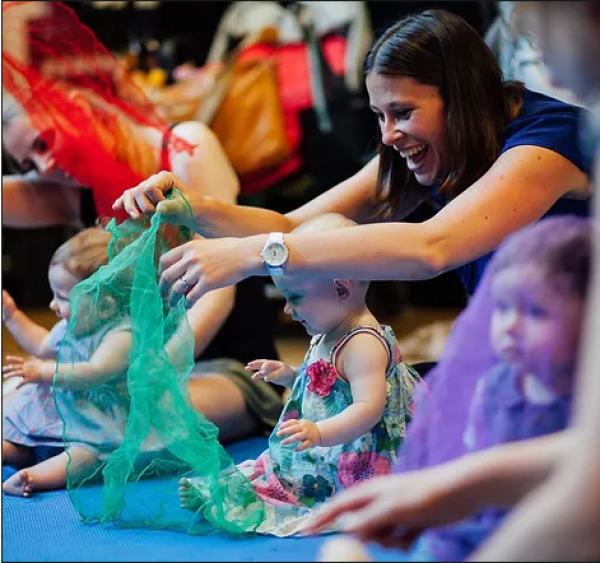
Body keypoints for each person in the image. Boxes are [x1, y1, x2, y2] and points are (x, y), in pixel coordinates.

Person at [113, 8, 592, 311]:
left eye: (403, 113)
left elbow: (433, 247)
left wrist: (252, 256)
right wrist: (193, 207)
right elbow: (289, 223)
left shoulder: (548, 142)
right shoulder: (440, 147)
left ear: (462, 97)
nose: (389, 136)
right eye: (379, 116)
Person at [2, 1, 283, 443]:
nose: (46, 161)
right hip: (122, 371)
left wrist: (153, 373)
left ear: (74, 105)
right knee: (16, 397)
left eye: (42, 140)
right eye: (28, 162)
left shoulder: (184, 147)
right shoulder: (64, 188)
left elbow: (222, 288)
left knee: (130, 420)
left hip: (221, 364)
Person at [310, 215, 593, 560]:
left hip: (558, 523)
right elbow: (475, 449)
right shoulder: (499, 384)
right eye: (502, 308)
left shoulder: (585, 396)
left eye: (536, 312)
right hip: (478, 515)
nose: (510, 327)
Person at [177, 213, 421, 537]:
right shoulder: (329, 329)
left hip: (360, 452)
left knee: (308, 484)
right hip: (330, 438)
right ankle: (238, 490)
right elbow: (330, 386)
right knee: (280, 467)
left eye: (294, 298)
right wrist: (290, 376)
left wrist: (318, 433)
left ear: (341, 289)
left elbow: (368, 408)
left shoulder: (363, 343)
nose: (287, 311)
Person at [2, 227, 133, 496]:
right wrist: (12, 316)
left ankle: (32, 477)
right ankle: (11, 453)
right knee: (20, 438)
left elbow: (97, 371)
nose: (53, 304)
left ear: (106, 305)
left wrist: (43, 372)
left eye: (63, 297)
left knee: (88, 458)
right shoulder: (72, 324)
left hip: (98, 422)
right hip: (55, 415)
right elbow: (42, 345)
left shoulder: (123, 335)